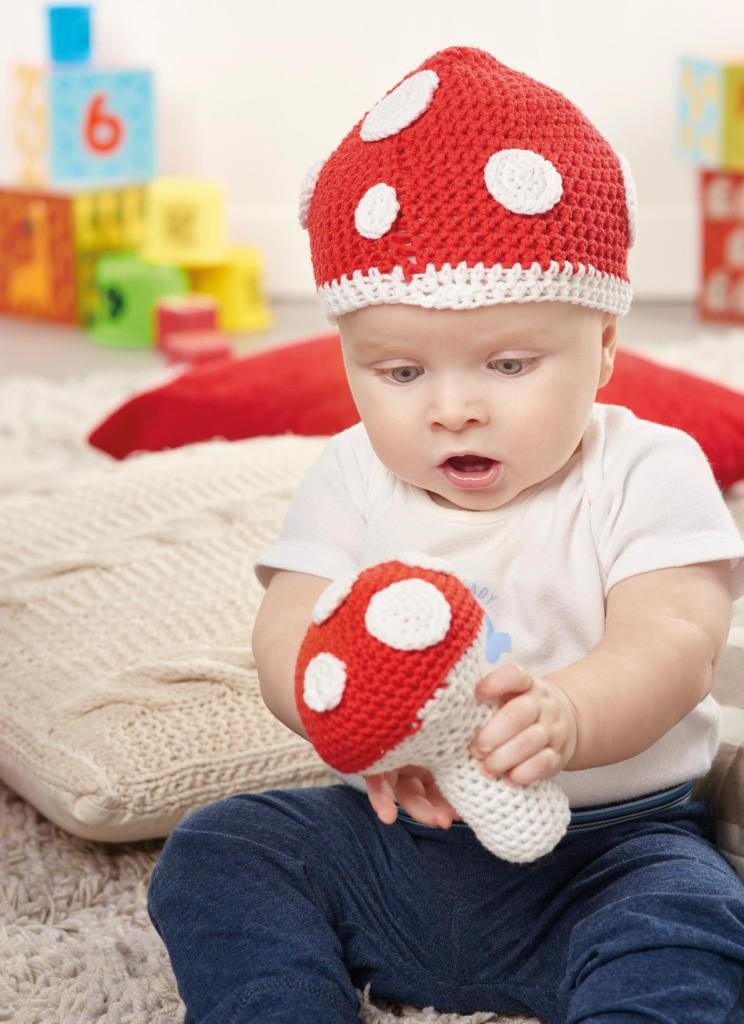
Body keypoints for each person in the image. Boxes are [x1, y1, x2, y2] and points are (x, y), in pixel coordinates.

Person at [147, 47, 744, 1024]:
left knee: (693, 924)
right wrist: (353, 715)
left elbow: (676, 640)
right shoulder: (350, 473)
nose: (453, 409)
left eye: (508, 364)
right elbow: (284, 634)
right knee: (220, 849)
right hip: (392, 840)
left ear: (602, 349)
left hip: (607, 853)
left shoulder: (645, 468)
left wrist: (570, 714)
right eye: (398, 372)